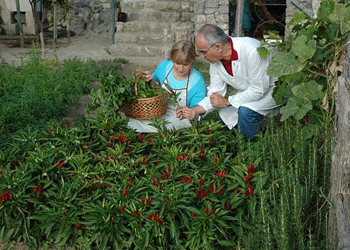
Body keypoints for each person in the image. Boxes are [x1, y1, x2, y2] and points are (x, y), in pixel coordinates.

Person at [176, 24, 279, 140]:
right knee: (223, 118)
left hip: (275, 89)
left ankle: (254, 150)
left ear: (218, 47)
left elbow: (258, 90)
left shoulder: (252, 51)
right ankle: (249, 138)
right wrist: (192, 111)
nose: (201, 57)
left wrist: (227, 102)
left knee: (246, 112)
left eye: (203, 52)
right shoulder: (215, 62)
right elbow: (215, 95)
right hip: (251, 91)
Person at [127, 40, 206, 133]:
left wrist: (192, 113)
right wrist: (149, 79)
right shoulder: (164, 67)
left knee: (163, 127)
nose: (181, 69)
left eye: (185, 64)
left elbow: (199, 109)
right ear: (172, 59)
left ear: (192, 62)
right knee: (134, 121)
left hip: (178, 116)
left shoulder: (197, 81)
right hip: (158, 110)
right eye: (177, 63)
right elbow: (154, 85)